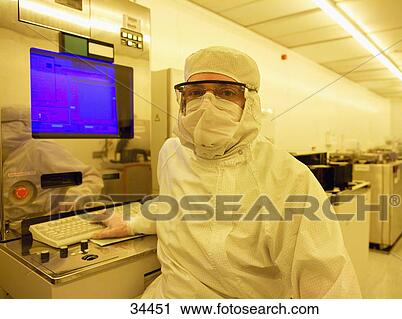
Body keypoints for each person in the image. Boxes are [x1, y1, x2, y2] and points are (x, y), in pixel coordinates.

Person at [93, 47, 361, 298]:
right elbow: (176, 208)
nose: (207, 104)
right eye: (196, 92)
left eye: (225, 92)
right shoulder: (172, 153)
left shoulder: (288, 177)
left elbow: (329, 285)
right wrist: (131, 224)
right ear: (183, 99)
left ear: (250, 102)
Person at [1, 106, 104, 221]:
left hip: (42, 227)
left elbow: (90, 176)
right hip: (11, 231)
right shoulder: (6, 156)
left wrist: (74, 200)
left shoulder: (39, 148)